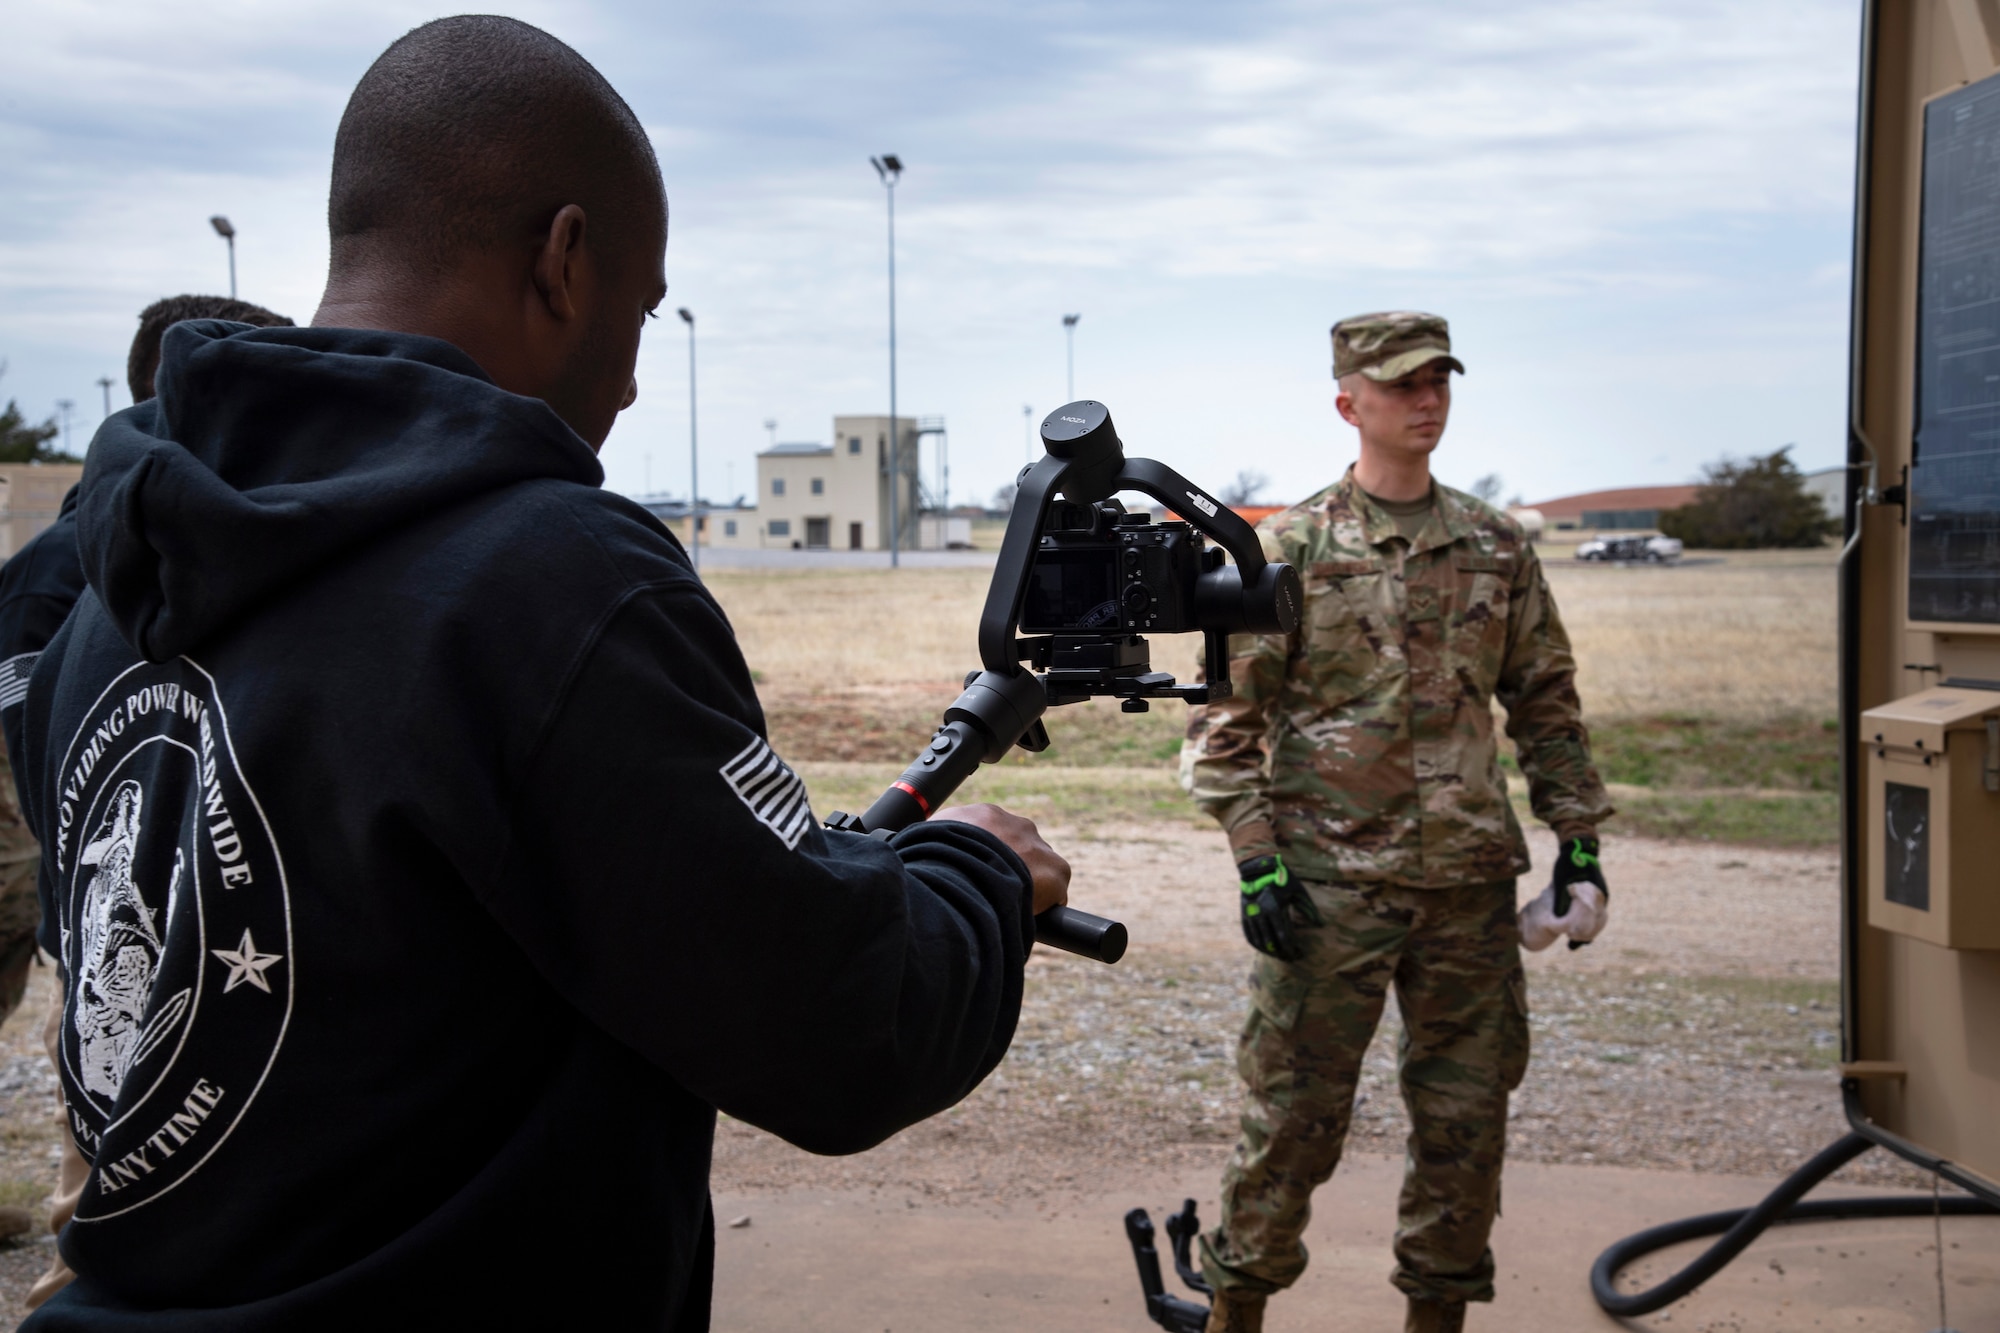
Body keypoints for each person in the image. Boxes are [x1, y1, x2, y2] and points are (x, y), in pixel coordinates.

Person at [14, 17, 1067, 1330]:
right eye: (638, 306)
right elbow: (843, 1030)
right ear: (564, 260)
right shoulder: (554, 578)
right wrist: (979, 873)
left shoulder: (112, 577)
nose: (630, 376)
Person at [1181, 311, 1613, 1333]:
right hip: (1325, 891)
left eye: (1438, 382)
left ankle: (1435, 1319)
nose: (1425, 400)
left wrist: (1578, 838)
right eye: (1401, 384)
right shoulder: (1285, 548)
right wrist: (1254, 861)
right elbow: (1222, 722)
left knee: (1464, 1124)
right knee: (1293, 1119)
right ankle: (1234, 1312)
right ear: (1347, 403)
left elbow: (1544, 699)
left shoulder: (1496, 545)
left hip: (1466, 888)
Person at [0, 293, 292, 1311]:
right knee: (103, 1213)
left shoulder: (237, 542)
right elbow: (44, 764)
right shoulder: (57, 567)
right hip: (100, 935)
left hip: (197, 929)